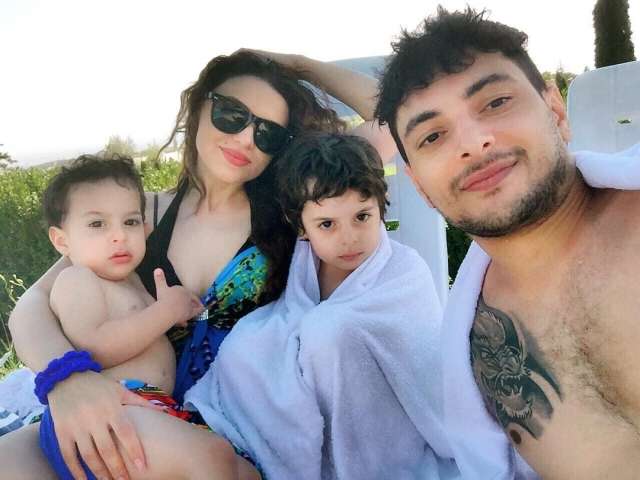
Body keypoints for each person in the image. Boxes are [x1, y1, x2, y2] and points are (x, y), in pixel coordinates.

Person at [2, 50, 395, 480]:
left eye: (267, 133)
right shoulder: (138, 217)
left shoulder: (293, 208)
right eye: (232, 114)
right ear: (198, 106)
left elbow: (392, 117)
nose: (246, 138)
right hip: (124, 406)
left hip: (224, 428)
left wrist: (299, 66)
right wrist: (67, 381)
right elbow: (32, 307)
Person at [375, 6, 640, 480]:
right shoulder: (478, 351)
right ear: (418, 186)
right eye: (433, 136)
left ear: (555, 110)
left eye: (495, 102)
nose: (473, 142)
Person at [185, 132, 457, 479]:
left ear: (380, 207)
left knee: (327, 330)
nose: (349, 238)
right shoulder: (305, 263)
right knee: (246, 344)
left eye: (362, 217)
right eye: (327, 224)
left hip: (382, 431)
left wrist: (325, 332)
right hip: (320, 408)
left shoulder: (405, 272)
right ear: (301, 227)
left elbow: (422, 365)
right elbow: (289, 316)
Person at [37, 154, 261, 480]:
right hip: (103, 413)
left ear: (145, 227)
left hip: (153, 407)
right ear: (62, 240)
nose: (119, 235)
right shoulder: (76, 279)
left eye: (130, 222)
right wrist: (165, 313)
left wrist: (174, 313)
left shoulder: (133, 281)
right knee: (210, 457)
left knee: (244, 471)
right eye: (97, 224)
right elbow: (94, 345)